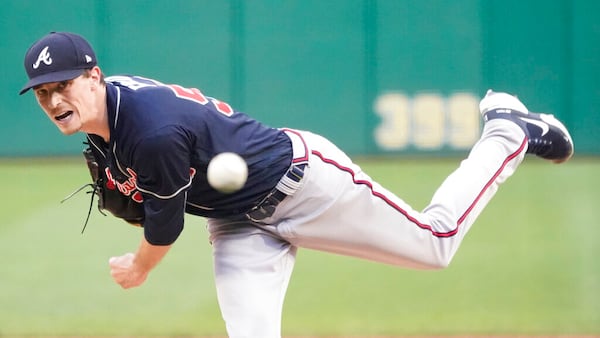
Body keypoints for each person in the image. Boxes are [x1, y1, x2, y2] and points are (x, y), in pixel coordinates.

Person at [20, 32, 574, 337]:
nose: (53, 101)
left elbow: (163, 229)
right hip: (238, 222)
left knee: (435, 244)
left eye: (62, 85)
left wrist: (138, 265)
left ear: (93, 76)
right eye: (43, 93)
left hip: (306, 184)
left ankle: (505, 130)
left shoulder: (152, 132)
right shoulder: (111, 109)